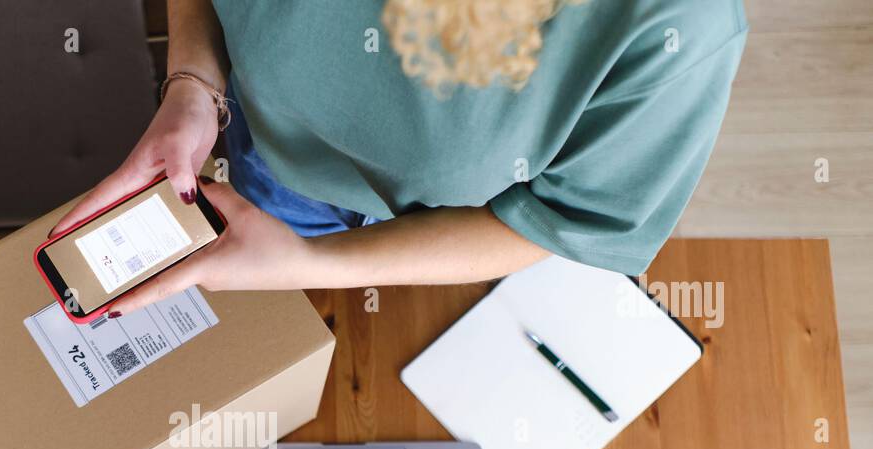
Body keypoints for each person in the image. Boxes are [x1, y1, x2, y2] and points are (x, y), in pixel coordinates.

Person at [50, 0, 747, 316]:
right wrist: (195, 86)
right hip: (259, 149)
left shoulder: (681, 26)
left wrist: (315, 266)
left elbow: (555, 219)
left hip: (426, 228)